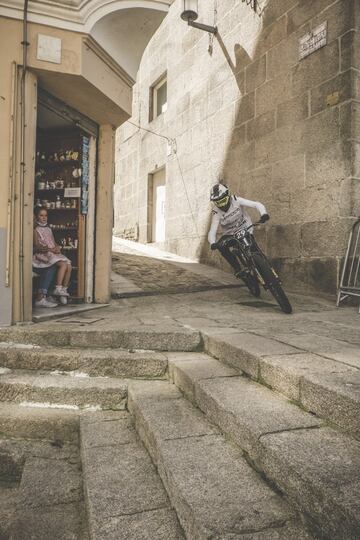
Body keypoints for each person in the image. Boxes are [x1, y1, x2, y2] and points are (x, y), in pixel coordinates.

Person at [208, 182, 269, 277]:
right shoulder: (216, 211)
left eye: (223, 200)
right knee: (222, 247)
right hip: (230, 234)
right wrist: (213, 243)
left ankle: (265, 266)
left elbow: (256, 204)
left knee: (254, 250)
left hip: (245, 228)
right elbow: (212, 230)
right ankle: (237, 268)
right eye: (218, 202)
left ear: (228, 195)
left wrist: (264, 214)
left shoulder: (236, 200)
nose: (221, 205)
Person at [33, 207, 72, 305]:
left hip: (52, 253)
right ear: (36, 217)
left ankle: (64, 289)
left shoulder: (49, 229)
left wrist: (57, 247)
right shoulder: (36, 230)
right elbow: (38, 246)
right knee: (63, 264)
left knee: (69, 265)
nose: (44, 218)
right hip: (43, 255)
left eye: (45, 215)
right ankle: (57, 288)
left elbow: (53, 242)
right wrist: (50, 249)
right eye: (41, 215)